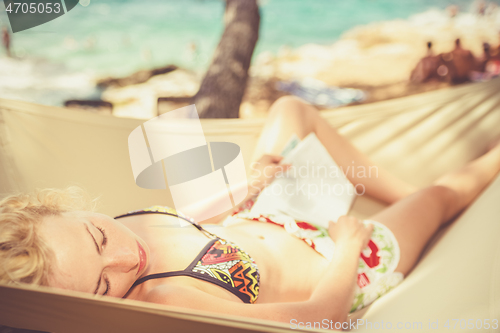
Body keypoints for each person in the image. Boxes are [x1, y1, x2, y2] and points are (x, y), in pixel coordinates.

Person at [1, 96, 500, 325]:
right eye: (104, 284)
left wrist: (247, 185)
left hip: (274, 214)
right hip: (339, 264)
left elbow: (196, 227)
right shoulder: (168, 299)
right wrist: (348, 246)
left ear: (66, 208)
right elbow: (321, 320)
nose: (125, 260)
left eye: (97, 238)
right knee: (440, 198)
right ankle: (436, 194)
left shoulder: (118, 228)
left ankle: (404, 197)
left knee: (290, 110)